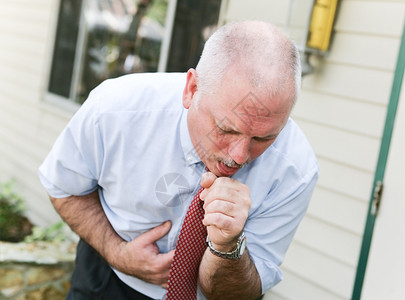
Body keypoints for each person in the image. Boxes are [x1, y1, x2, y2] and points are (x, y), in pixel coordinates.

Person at [39, 20, 319, 300]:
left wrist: (227, 245)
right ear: (191, 89)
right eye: (226, 129)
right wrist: (117, 253)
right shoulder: (115, 110)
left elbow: (238, 293)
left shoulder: (295, 168)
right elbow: (65, 188)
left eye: (263, 139)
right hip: (107, 279)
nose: (238, 156)